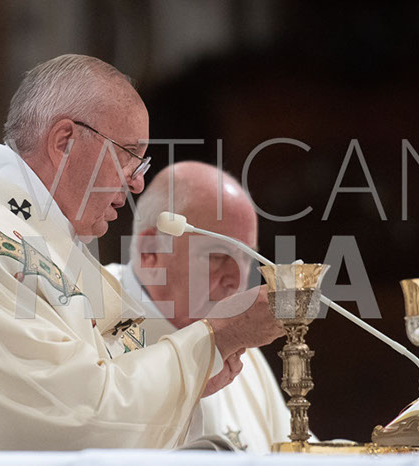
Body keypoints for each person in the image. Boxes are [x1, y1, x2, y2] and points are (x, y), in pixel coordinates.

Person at [0, 54, 283, 452]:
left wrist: (192, 375)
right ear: (64, 141)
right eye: (130, 156)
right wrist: (215, 338)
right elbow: (77, 419)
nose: (137, 182)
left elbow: (91, 382)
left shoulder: (32, 240)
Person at [106, 161, 291, 452]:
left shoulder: (241, 345)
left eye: (246, 257)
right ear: (151, 252)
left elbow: (295, 452)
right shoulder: (90, 317)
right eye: (217, 255)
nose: (237, 279)